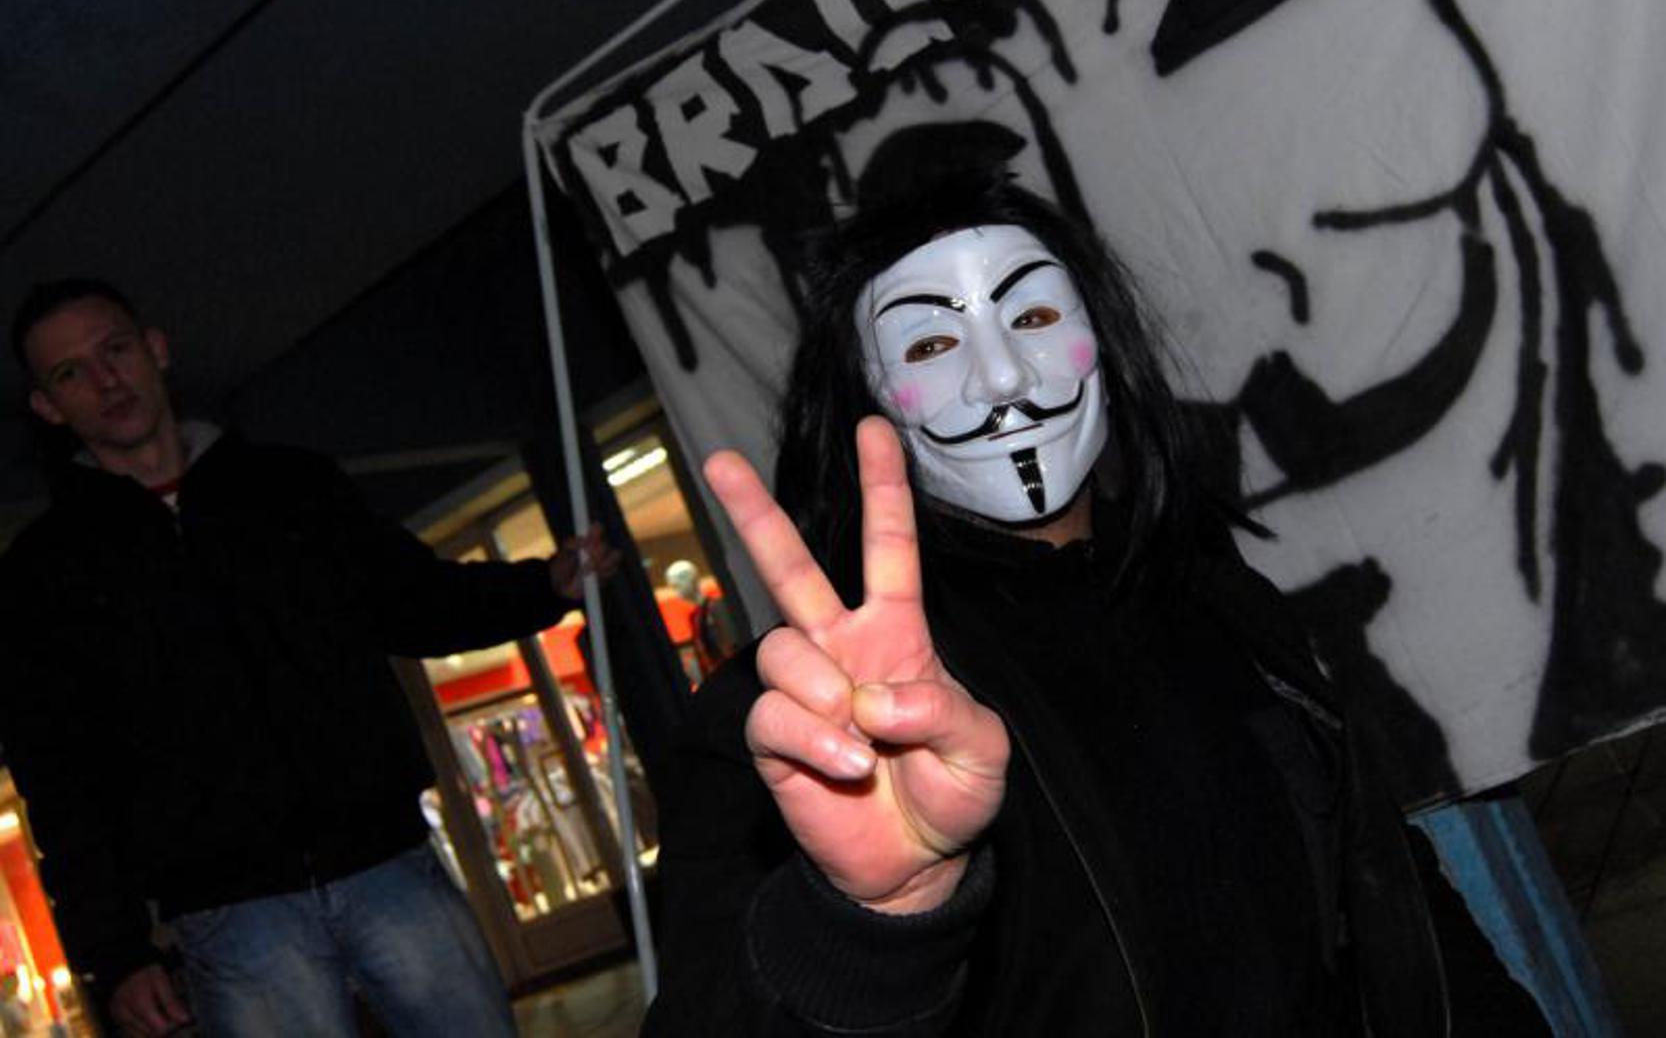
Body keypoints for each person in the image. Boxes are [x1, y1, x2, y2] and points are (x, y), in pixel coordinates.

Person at [641, 161, 1542, 1035]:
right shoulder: (804, 715)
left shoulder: (1221, 603)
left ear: (1104, 346)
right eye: (930, 344)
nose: (1002, 379)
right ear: (861, 404)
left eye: (1033, 316)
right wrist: (865, 930)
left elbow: (1388, 893)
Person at [0, 280, 619, 1037]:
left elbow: (412, 598)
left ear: (156, 349)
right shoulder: (47, 574)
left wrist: (543, 587)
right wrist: (117, 952)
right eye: (71, 373)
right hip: (230, 913)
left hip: (385, 860)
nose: (105, 381)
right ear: (48, 407)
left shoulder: (289, 487)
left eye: (116, 350)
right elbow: (62, 776)